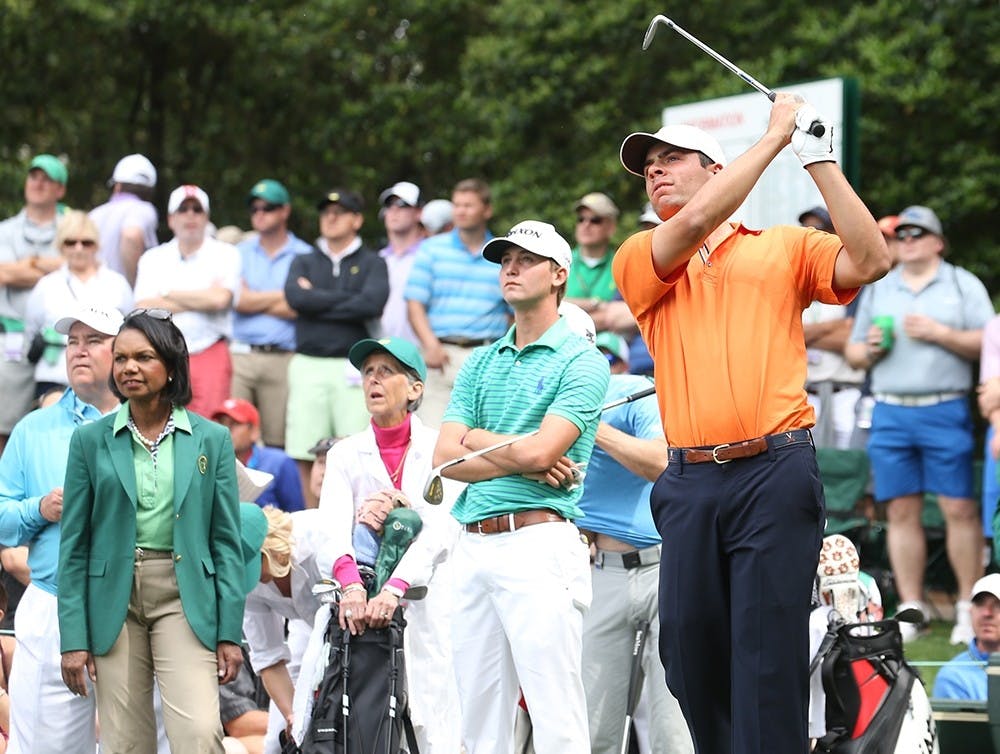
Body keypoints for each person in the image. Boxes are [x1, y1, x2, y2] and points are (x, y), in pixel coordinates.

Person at [612, 97, 891, 754]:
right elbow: (702, 218)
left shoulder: (782, 248)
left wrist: (818, 159)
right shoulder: (641, 255)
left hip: (775, 469)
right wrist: (773, 137)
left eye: (670, 159)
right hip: (689, 481)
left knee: (767, 658)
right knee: (686, 649)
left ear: (713, 168)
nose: (654, 172)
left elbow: (871, 259)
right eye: (647, 165)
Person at [432, 220, 610, 752]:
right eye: (505, 258)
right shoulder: (482, 360)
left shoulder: (583, 360)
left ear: (558, 274)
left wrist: (480, 441)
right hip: (472, 541)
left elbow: (543, 452)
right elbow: (443, 459)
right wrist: (524, 455)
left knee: (556, 715)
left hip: (539, 543)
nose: (511, 267)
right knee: (477, 721)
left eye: (526, 259)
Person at [57, 309, 246, 752]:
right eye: (121, 358)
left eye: (143, 357)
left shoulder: (211, 439)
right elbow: (75, 546)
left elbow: (226, 542)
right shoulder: (89, 440)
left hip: (184, 596)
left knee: (199, 732)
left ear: (172, 364)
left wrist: (229, 633)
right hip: (113, 602)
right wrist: (74, 639)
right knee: (125, 742)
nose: (129, 368)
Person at [845, 204, 993, 645]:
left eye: (917, 234)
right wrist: (869, 349)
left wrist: (941, 334)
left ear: (937, 242)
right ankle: (913, 607)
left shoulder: (962, 284)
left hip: (944, 408)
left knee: (959, 509)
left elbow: (991, 346)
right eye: (902, 235)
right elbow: (854, 354)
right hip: (890, 410)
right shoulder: (880, 287)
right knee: (901, 512)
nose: (907, 241)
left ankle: (968, 605)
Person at [317, 335, 462, 752]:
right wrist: (351, 586)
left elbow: (439, 530)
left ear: (415, 388)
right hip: (360, 611)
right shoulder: (345, 453)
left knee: (434, 726)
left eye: (386, 371)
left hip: (429, 605)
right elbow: (332, 527)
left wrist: (396, 586)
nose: (373, 380)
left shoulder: (439, 448)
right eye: (367, 372)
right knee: (367, 727)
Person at [0, 303, 122, 754]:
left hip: (135, 601)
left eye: (93, 340)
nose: (79, 351)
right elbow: (2, 518)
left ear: (122, 352)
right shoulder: (33, 430)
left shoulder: (151, 426)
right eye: (72, 341)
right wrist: (40, 509)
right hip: (51, 601)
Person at [577, 345, 693, 754]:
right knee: (593, 731)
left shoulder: (634, 392)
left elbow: (660, 460)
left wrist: (591, 426)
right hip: (600, 571)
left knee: (674, 730)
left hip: (667, 566)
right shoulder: (538, 401)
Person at [284, 189, 388, 506]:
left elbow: (371, 304)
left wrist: (316, 299)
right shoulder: (303, 260)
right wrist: (345, 299)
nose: (330, 217)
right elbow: (295, 299)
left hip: (352, 365)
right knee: (304, 448)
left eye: (340, 212)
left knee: (357, 446)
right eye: (326, 211)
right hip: (308, 362)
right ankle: (313, 522)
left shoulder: (373, 262)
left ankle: (360, 528)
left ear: (357, 219)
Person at [404, 178, 509, 424]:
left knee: (485, 442)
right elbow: (414, 304)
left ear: (487, 210)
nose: (460, 211)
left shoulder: (502, 254)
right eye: (457, 205)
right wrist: (430, 345)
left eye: (468, 205)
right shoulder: (431, 249)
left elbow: (514, 311)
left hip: (487, 356)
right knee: (432, 437)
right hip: (440, 356)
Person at [133, 184, 242, 417]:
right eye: (183, 209)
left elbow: (220, 300)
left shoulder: (227, 253)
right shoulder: (152, 258)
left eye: (197, 209)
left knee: (209, 428)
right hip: (163, 354)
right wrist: (202, 296)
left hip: (209, 350)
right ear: (171, 219)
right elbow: (142, 306)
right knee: (161, 422)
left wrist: (167, 294)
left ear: (207, 217)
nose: (190, 215)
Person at [242, 505, 332, 753]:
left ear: (269, 551)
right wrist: (294, 715)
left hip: (356, 622)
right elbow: (268, 656)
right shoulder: (246, 583)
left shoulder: (316, 538)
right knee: (276, 740)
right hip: (305, 626)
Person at [231, 179, 311, 449]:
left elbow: (302, 306)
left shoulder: (305, 254)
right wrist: (285, 293)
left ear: (285, 211)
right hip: (240, 355)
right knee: (232, 438)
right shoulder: (237, 253)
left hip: (283, 357)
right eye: (254, 208)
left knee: (279, 440)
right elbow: (237, 300)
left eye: (268, 207)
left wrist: (253, 298)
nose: (260, 213)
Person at [0, 154, 67, 457]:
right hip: (11, 342)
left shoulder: (71, 227)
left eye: (47, 178)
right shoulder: (6, 229)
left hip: (61, 344)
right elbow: (3, 273)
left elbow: (76, 263)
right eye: (34, 176)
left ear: (60, 189)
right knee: (5, 425)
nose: (38, 183)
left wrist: (27, 265)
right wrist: (51, 265)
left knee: (55, 430)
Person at [24, 211, 133, 396]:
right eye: (71, 242)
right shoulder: (47, 285)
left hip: (107, 382)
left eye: (86, 242)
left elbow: (130, 330)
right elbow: (31, 331)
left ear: (96, 245)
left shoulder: (117, 283)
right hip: (54, 376)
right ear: (61, 246)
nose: (79, 248)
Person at [798, 205, 865, 449]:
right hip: (803, 394)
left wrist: (805, 333)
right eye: (806, 229)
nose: (812, 234)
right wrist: (833, 327)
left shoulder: (853, 277)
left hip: (844, 392)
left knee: (847, 469)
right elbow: (780, 332)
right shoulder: (793, 277)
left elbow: (855, 336)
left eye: (820, 229)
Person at [212, 398, 304, 512]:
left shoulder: (279, 462)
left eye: (234, 424)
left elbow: (295, 514)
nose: (225, 430)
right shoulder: (210, 463)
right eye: (221, 423)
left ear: (254, 432)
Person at [88, 153, 159, 287]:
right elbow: (131, 236)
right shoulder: (143, 209)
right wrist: (134, 286)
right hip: (121, 300)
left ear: (117, 186)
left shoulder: (94, 215)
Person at [932, 573, 1000, 700]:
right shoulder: (954, 676)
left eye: (997, 605)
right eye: (980, 604)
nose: (986, 613)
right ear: (970, 611)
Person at [377, 181, 423, 343]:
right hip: (380, 350)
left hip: (421, 353)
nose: (394, 210)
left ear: (418, 212)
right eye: (389, 205)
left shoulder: (430, 255)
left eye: (402, 204)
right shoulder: (378, 258)